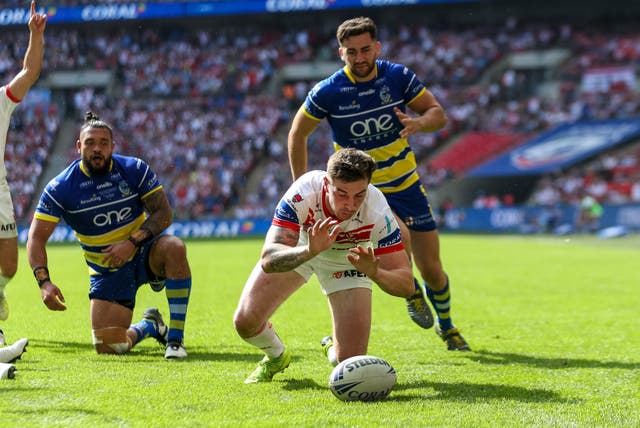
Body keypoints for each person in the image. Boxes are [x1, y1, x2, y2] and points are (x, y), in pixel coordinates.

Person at [288, 16, 470, 350]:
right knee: (401, 234)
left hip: (407, 185)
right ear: (341, 53)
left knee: (433, 268)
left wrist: (418, 123)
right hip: (365, 193)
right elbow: (297, 133)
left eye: (365, 49)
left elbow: (438, 114)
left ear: (377, 48)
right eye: (351, 52)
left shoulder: (398, 77)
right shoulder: (328, 92)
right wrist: (299, 186)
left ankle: (447, 326)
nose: (359, 58)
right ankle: (411, 291)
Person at [234, 148, 414, 383]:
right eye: (342, 194)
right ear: (326, 184)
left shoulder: (378, 210)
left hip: (349, 260)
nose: (350, 205)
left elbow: (407, 285)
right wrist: (310, 250)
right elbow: (269, 259)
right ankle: (276, 356)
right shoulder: (303, 192)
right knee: (245, 322)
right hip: (302, 247)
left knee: (350, 365)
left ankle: (332, 348)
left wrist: (375, 273)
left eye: (359, 195)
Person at [27, 112, 192, 359]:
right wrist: (44, 283)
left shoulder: (134, 169)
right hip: (107, 270)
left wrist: (131, 243)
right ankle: (150, 325)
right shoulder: (60, 188)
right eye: (90, 142)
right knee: (109, 347)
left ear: (113, 146)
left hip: (143, 252)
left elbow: (163, 215)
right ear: (79, 146)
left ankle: (176, 341)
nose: (97, 149)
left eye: (104, 143)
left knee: (175, 247)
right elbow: (36, 238)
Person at [0, 1, 45, 361]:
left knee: (9, 267)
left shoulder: (1, 100)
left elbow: (30, 71)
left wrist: (34, 34)